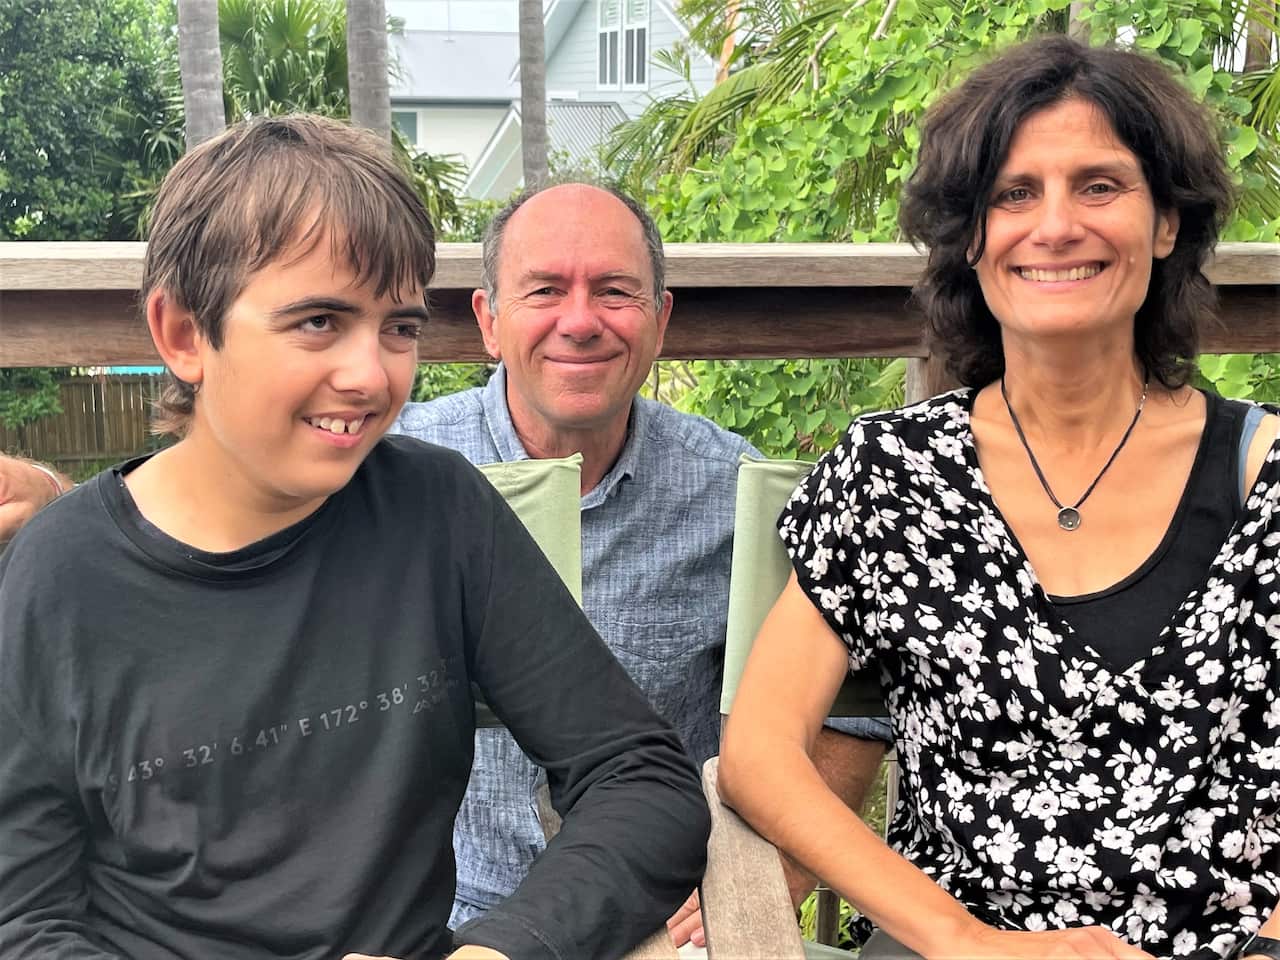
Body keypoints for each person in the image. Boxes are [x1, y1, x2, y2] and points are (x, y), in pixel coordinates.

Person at [0, 115, 709, 960]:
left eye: (399, 328)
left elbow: (642, 778)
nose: (371, 375)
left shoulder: (435, 511)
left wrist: (500, 950)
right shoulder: (61, 574)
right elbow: (25, 913)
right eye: (317, 323)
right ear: (185, 334)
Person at [718, 35, 1280, 960]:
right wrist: (962, 938)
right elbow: (760, 751)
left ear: (1168, 223)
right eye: (1014, 194)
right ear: (970, 239)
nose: (1054, 226)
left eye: (1100, 186)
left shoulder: (1266, 477)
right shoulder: (892, 474)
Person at [391, 181, 893, 942]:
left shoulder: (732, 494)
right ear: (490, 321)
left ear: (659, 322)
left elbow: (858, 704)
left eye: (615, 291)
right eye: (545, 290)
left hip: (652, 924)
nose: (581, 320)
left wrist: (777, 870)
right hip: (433, 917)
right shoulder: (390, 476)